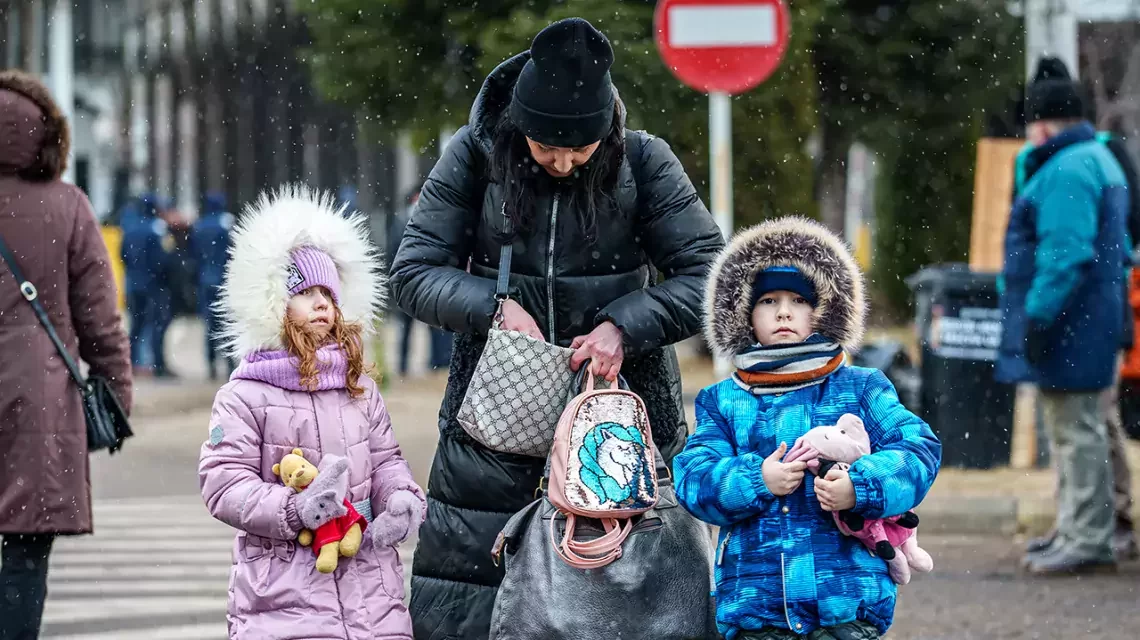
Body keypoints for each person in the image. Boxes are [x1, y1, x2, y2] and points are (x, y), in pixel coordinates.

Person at [388, 17, 725, 638]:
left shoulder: (645, 161)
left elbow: (712, 278)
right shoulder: (473, 155)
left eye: (581, 148)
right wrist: (493, 307)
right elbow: (412, 273)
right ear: (520, 124)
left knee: (626, 611)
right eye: (546, 147)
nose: (564, 163)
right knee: (472, 612)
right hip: (493, 428)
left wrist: (625, 324)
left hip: (622, 428)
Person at [674, 217, 941, 640]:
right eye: (768, 301)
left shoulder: (861, 388)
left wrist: (860, 487)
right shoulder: (722, 400)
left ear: (824, 310)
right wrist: (757, 479)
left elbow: (918, 449)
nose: (783, 311)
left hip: (846, 606)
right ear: (743, 314)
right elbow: (693, 479)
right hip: (756, 609)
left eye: (798, 299)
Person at [198, 186, 425, 638]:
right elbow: (224, 484)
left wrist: (399, 498)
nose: (322, 302)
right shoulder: (245, 394)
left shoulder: (359, 387)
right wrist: (295, 508)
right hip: (285, 591)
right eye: (305, 292)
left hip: (370, 589)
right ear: (272, 305)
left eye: (328, 293)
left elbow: (386, 461)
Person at [0, 69, 133, 640]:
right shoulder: (67, 207)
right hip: (40, 403)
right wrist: (116, 398)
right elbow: (100, 322)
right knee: (25, 554)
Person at [996, 61, 1132, 574]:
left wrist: (1037, 316)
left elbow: (1065, 253)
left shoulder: (1067, 169)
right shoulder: (1095, 158)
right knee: (1080, 430)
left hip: (1073, 323)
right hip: (1092, 317)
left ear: (1043, 123)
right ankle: (1078, 529)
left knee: (1076, 434)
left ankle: (1088, 539)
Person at [387, 187, 451, 375]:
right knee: (405, 328)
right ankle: (403, 366)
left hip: (430, 283)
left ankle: (437, 363)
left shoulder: (436, 221)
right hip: (405, 284)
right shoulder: (400, 222)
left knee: (436, 326)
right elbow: (392, 253)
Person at [120, 191, 177, 377]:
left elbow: (123, 256)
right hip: (154, 286)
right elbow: (164, 259)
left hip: (133, 285)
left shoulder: (130, 228)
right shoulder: (158, 228)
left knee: (136, 326)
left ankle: (129, 364)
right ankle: (158, 365)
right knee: (157, 325)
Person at [189, 191, 237, 379]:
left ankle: (210, 364)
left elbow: (193, 254)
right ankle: (230, 363)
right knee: (227, 322)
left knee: (210, 323)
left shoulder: (199, 225)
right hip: (224, 280)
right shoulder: (227, 223)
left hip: (204, 280)